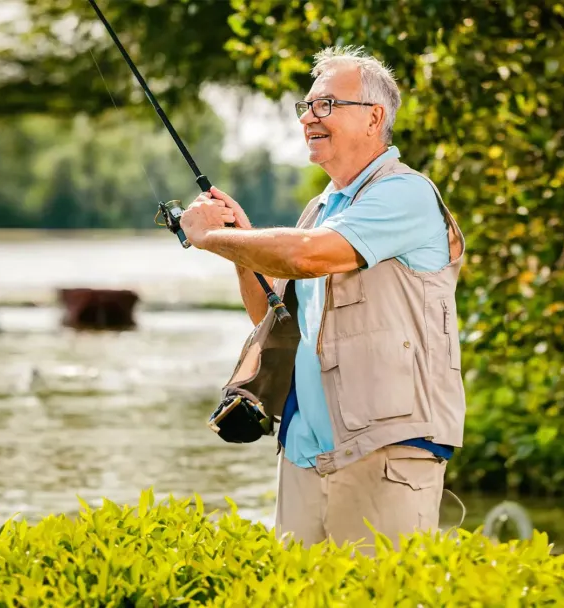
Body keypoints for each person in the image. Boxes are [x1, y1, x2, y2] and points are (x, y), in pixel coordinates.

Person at [179, 46, 467, 554]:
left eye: (327, 105)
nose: (309, 117)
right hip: (305, 456)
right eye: (307, 107)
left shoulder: (407, 193)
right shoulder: (320, 209)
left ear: (374, 117)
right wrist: (241, 244)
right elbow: (278, 321)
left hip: (385, 448)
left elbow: (311, 257)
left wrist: (209, 238)